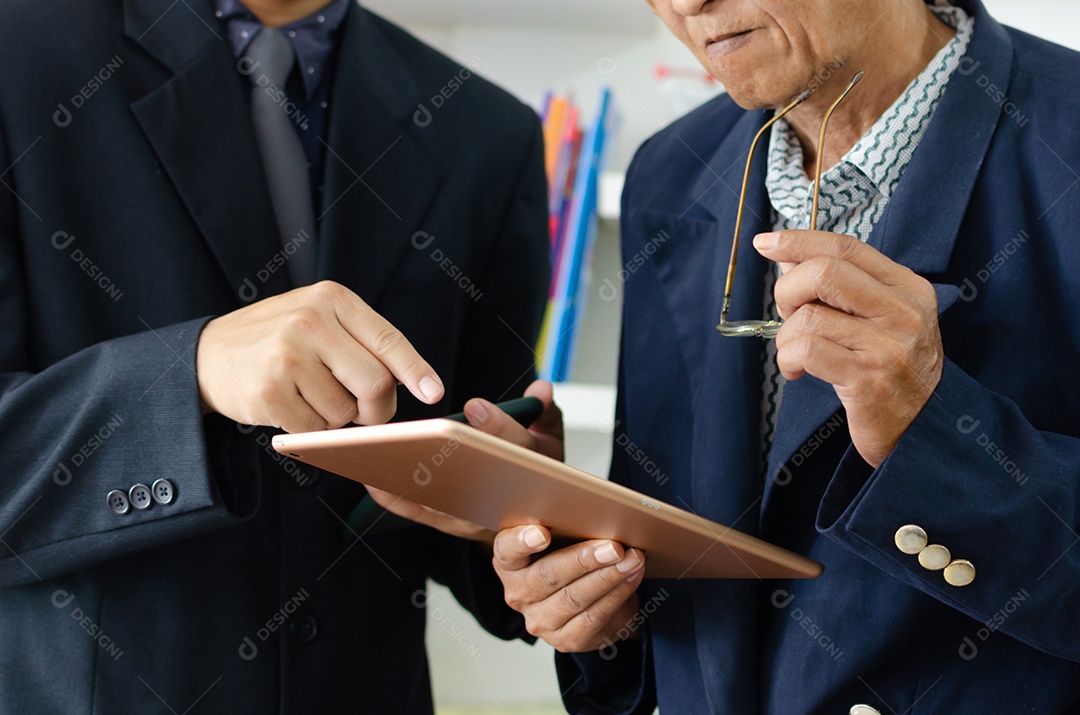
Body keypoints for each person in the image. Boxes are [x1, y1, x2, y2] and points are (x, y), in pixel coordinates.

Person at [393, 0, 1080, 712]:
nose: (687, 5)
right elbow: (685, 605)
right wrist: (605, 594)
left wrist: (935, 433)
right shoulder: (668, 172)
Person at [0, 0, 549, 711]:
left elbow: (467, 489)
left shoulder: (488, 133)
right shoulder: (17, 50)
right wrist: (190, 371)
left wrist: (522, 511)